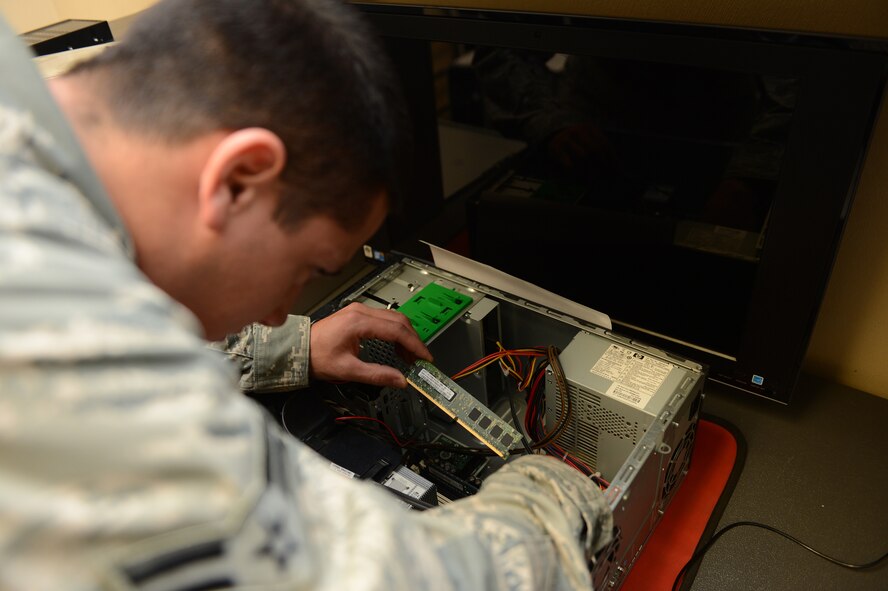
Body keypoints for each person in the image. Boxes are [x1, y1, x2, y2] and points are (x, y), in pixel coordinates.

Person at [0, 0, 612, 589]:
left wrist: (290, 345)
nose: (274, 312)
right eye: (304, 270)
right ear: (240, 178)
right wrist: (552, 493)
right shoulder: (74, 354)